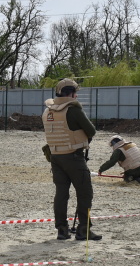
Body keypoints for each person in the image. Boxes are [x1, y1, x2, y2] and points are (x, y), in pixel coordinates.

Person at [42, 78, 99, 241]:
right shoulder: (73, 110)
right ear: (71, 93)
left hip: (55, 157)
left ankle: (62, 230)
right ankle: (83, 230)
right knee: (85, 193)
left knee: (61, 193)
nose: (77, 96)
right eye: (75, 93)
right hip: (73, 156)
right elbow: (91, 130)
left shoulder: (48, 111)